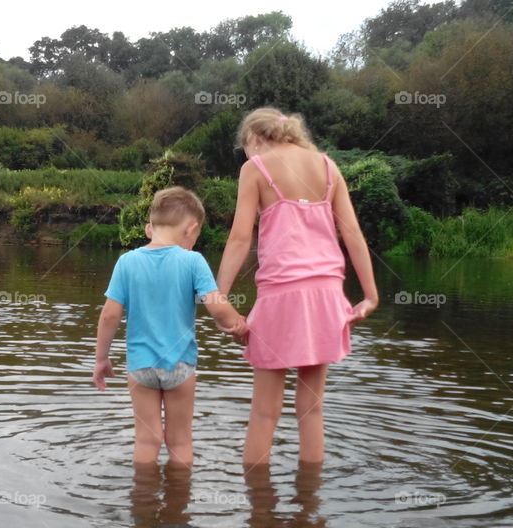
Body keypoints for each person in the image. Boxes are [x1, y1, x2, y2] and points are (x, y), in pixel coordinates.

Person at [215, 107, 379, 466]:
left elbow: (241, 238)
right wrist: (369, 295)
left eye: (246, 148)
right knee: (312, 409)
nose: (247, 155)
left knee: (264, 412)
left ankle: (258, 504)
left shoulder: (254, 168)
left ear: (255, 139)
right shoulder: (327, 166)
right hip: (326, 295)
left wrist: (219, 296)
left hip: (281, 296)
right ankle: (310, 501)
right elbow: (352, 234)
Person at [94, 186, 248, 467]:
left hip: (140, 366)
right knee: (180, 440)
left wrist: (101, 359)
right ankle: (178, 506)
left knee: (145, 440)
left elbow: (109, 316)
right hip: (180, 364)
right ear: (191, 229)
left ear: (149, 228)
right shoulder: (193, 261)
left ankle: (143, 502)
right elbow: (216, 305)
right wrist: (238, 326)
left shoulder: (126, 262)